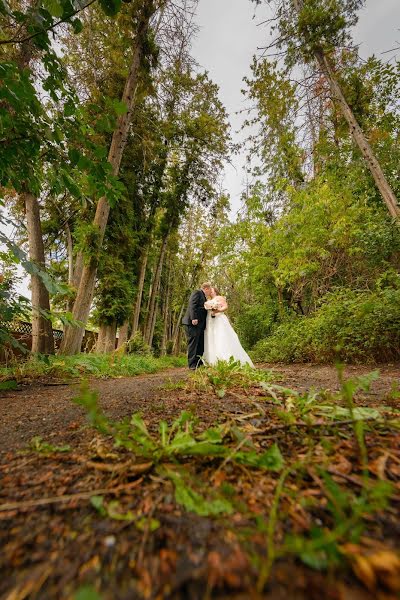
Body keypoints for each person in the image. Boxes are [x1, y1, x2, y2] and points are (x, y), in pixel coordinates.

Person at [203, 287, 254, 367]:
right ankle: (212, 361)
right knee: (211, 338)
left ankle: (225, 360)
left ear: (215, 291)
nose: (211, 291)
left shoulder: (219, 297)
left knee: (221, 337)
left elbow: (225, 306)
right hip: (210, 320)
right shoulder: (208, 300)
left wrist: (218, 310)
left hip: (219, 319)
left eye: (212, 290)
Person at [182, 282, 212, 370]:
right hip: (193, 323)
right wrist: (193, 318)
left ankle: (198, 363)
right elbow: (192, 305)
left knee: (199, 344)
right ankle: (192, 365)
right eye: (210, 290)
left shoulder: (204, 297)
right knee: (193, 344)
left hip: (200, 325)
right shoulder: (197, 292)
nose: (210, 292)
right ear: (206, 288)